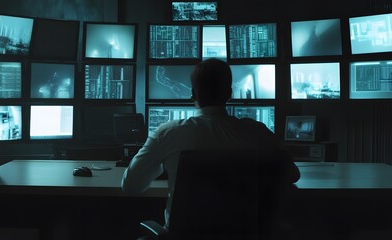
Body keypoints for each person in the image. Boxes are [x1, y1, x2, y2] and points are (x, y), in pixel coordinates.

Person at [121, 58, 300, 227]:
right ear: (229, 93)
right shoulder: (259, 132)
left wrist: (160, 164)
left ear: (193, 94)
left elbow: (130, 187)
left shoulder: (167, 133)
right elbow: (293, 175)